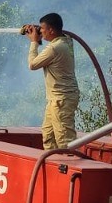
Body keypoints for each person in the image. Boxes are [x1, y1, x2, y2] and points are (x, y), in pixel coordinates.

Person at [25, 12, 80, 150]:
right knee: (48, 135)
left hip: (61, 99)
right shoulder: (66, 40)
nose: (40, 31)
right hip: (56, 99)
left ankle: (69, 165)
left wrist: (34, 42)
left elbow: (33, 64)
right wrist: (39, 32)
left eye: (43, 29)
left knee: (64, 139)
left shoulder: (54, 48)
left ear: (51, 30)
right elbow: (55, 36)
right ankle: (54, 165)